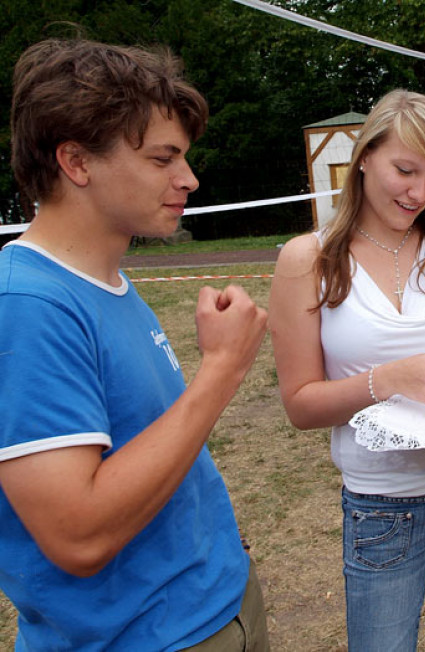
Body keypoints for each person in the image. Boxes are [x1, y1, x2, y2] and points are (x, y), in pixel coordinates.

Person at [0, 39, 269, 650]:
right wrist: (221, 370)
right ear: (76, 160)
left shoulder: (108, 283)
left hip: (218, 605)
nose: (188, 179)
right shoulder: (26, 306)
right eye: (161, 159)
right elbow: (79, 537)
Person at [269, 89, 425, 650]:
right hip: (383, 502)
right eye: (405, 170)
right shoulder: (309, 259)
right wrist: (388, 380)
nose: (419, 193)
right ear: (363, 158)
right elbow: (300, 405)